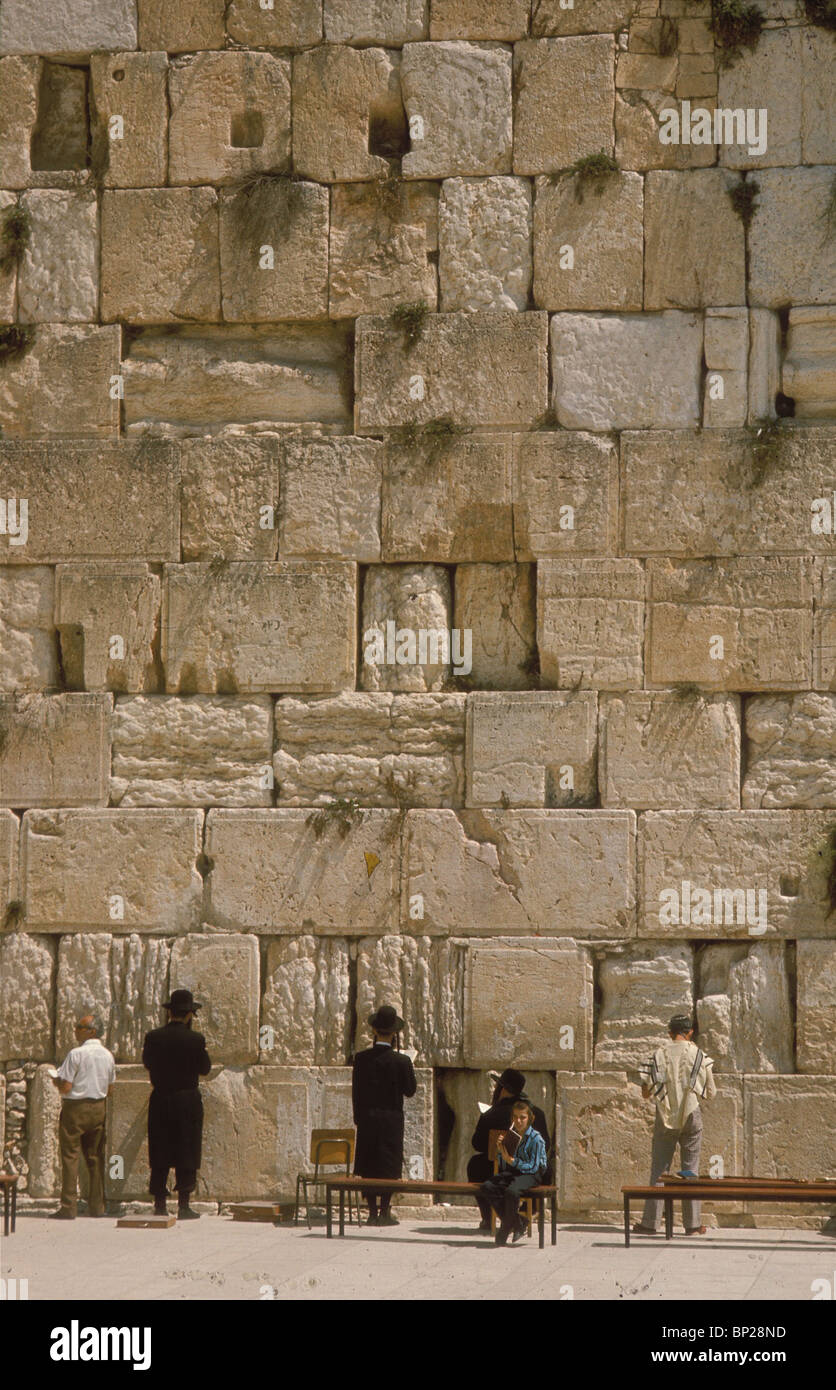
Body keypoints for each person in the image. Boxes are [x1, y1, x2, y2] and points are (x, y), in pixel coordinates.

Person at [633, 1013, 716, 1237]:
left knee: (660, 1169)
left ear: (670, 1033)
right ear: (689, 1033)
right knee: (690, 1169)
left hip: (665, 1114)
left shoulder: (657, 1054)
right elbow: (710, 1092)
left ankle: (651, 1223)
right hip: (691, 1113)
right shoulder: (699, 1054)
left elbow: (645, 1092)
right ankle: (692, 1224)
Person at [142, 988, 211, 1220]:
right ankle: (184, 1205)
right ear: (190, 1014)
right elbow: (205, 1068)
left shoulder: (153, 1037)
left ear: (170, 1012)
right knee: (187, 1149)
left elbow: (148, 1063)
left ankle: (160, 1203)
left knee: (160, 1149)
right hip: (187, 1100)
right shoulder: (196, 1040)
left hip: (161, 1098)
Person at [351, 1003, 416, 1227]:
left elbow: (356, 1092)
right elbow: (410, 1090)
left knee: (369, 1164)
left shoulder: (361, 1059)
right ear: (394, 1033)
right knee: (388, 1165)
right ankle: (385, 1211)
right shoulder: (402, 1061)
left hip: (368, 1119)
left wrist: (358, 1118)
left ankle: (371, 1212)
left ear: (374, 1031)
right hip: (391, 1121)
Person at [467, 1068, 551, 1232]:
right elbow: (546, 1145)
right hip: (526, 1172)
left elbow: (476, 1144)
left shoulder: (490, 1114)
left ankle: (487, 1218)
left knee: (475, 1164)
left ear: (503, 1089)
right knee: (546, 1169)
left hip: (496, 1171)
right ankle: (524, 1213)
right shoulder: (536, 1113)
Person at [50, 1012, 116, 1220]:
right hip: (98, 1107)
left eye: (79, 1026)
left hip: (75, 1109)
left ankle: (68, 1206)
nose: (75, 1030)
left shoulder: (75, 1054)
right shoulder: (108, 1055)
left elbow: (66, 1086)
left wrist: (56, 1080)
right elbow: (110, 1088)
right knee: (95, 1157)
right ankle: (97, 1206)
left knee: (70, 1156)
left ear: (91, 1031)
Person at [479, 1099, 547, 1246]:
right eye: (515, 1117)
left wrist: (512, 1161)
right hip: (515, 1171)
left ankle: (505, 1229)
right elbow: (505, 1165)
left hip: (532, 1173)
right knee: (487, 1186)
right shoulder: (512, 1136)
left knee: (512, 1192)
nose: (519, 1121)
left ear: (529, 1118)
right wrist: (501, 1150)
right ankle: (518, 1221)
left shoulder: (536, 1139)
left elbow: (534, 1167)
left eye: (522, 1117)